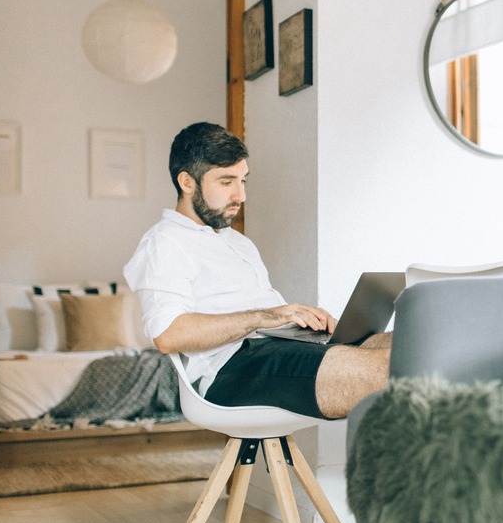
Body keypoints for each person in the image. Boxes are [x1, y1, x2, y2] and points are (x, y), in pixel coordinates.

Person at [124, 122, 388, 419]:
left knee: (408, 347)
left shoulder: (239, 242)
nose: (241, 195)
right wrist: (268, 316)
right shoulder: (164, 242)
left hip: (280, 347)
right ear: (187, 182)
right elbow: (168, 335)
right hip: (231, 369)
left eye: (243, 181)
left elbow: (267, 319)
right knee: (387, 369)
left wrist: (306, 323)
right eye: (226, 182)